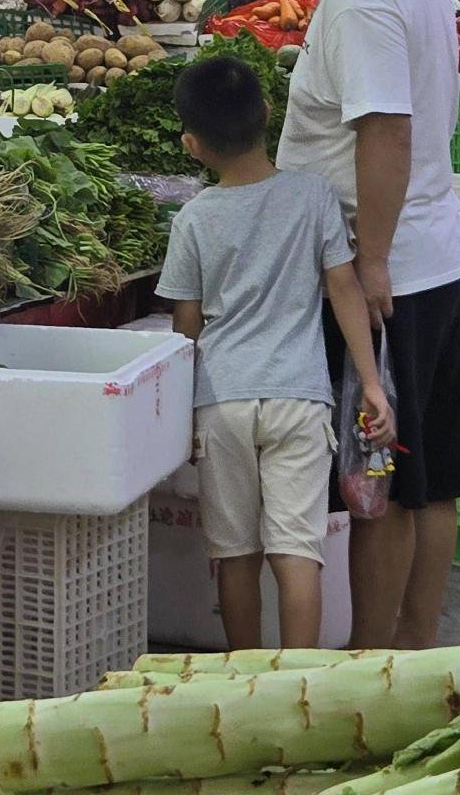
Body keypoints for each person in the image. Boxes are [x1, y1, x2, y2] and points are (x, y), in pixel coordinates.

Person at [259, 0, 460, 651]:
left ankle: (373, 664)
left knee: (378, 483)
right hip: (440, 257)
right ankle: (417, 653)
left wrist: (374, 259)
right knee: (430, 482)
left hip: (394, 274)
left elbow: (384, 128)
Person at [157, 55, 393, 651]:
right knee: (298, 554)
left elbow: (185, 327)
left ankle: (245, 677)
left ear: (190, 143)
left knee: (235, 556)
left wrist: (179, 414)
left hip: (222, 402)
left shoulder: (192, 219)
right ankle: (300, 683)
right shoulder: (313, 197)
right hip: (300, 398)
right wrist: (369, 382)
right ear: (268, 113)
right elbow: (345, 290)